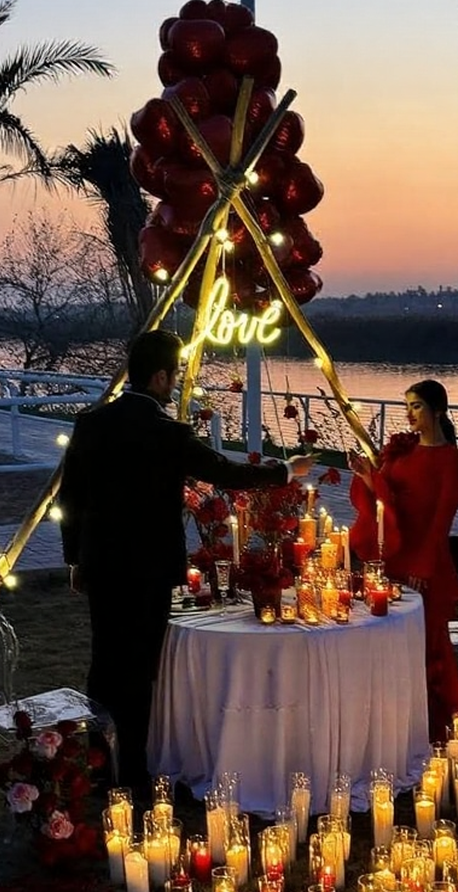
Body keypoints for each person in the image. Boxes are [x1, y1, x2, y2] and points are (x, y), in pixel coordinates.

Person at [58, 329, 315, 797]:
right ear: (159, 377)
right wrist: (284, 471)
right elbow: (226, 472)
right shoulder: (167, 433)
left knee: (104, 661)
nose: (175, 383)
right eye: (174, 375)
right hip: (148, 569)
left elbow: (69, 498)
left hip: (102, 565)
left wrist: (75, 558)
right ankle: (132, 770)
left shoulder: (91, 424)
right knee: (139, 669)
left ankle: (100, 758)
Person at [348, 378, 458, 739]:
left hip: (427, 564)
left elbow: (441, 522)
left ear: (437, 410)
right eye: (407, 406)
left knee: (429, 646)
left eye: (416, 406)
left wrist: (423, 567)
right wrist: (367, 476)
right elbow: (386, 498)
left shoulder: (452, 462)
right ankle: (389, 716)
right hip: (394, 556)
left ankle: (430, 724)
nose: (409, 414)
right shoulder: (403, 452)